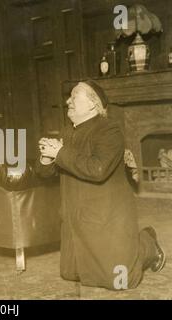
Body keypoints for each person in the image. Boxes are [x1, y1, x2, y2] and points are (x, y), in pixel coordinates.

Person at [36, 80, 166, 290]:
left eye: (75, 95)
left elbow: (97, 170)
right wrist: (46, 158)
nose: (68, 100)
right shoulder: (67, 131)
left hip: (106, 218)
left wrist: (59, 153)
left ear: (92, 104)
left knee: (121, 281)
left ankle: (147, 242)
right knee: (70, 274)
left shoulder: (109, 131)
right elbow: (45, 173)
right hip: (76, 218)